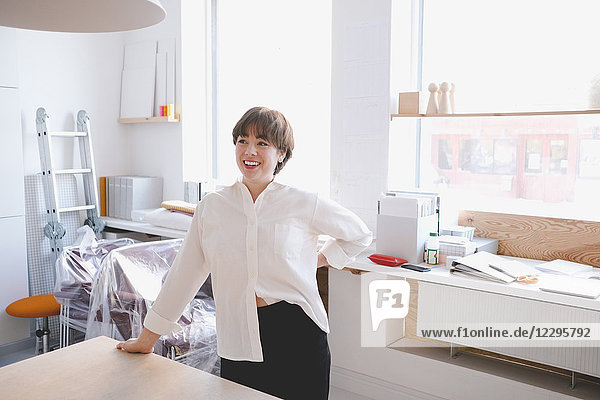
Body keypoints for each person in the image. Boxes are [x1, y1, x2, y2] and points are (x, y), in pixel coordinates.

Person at [117, 106, 372, 399]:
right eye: (242, 141)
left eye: (262, 143)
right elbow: (183, 277)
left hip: (298, 332)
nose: (249, 151)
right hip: (239, 334)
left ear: (282, 154)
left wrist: (317, 259)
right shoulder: (212, 207)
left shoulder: (303, 203)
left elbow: (359, 235)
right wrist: (147, 340)